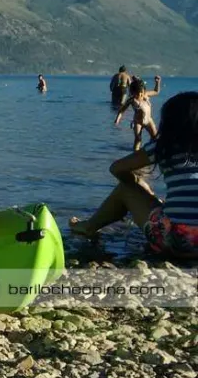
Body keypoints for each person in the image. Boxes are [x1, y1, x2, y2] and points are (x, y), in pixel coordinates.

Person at [70, 92, 198, 258]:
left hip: (177, 242)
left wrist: (139, 184)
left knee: (126, 189)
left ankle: (89, 227)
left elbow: (116, 168)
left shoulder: (166, 146)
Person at [115, 75, 161, 151]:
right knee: (138, 139)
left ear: (143, 91)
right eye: (137, 94)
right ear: (133, 93)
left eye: (141, 93)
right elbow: (122, 110)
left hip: (149, 121)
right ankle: (136, 152)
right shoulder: (132, 100)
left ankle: (154, 149)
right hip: (138, 122)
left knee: (155, 137)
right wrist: (118, 119)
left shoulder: (145, 94)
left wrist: (157, 82)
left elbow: (156, 91)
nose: (140, 95)